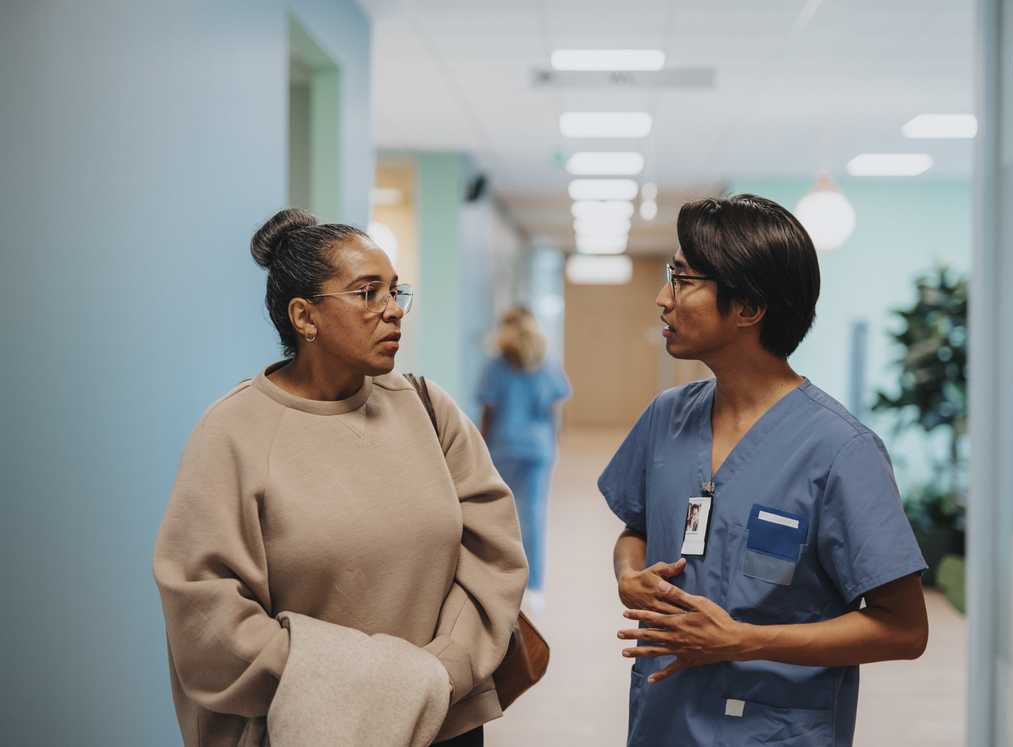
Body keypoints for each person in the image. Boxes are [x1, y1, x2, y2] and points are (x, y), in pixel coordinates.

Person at [153, 209, 527, 747]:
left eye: (396, 292)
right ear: (305, 317)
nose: (393, 312)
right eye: (367, 293)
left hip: (445, 719)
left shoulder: (426, 407)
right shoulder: (233, 431)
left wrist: (440, 672)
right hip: (309, 728)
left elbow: (493, 554)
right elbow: (206, 615)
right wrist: (369, 681)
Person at [600, 195, 929, 746]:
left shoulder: (841, 451)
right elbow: (635, 530)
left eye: (682, 279)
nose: (663, 299)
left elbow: (903, 628)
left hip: (773, 729)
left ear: (748, 307)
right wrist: (628, 575)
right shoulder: (667, 418)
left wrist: (742, 640)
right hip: (664, 720)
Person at [477, 307, 571, 614]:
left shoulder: (496, 365)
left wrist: (481, 446)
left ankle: (501, 580)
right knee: (533, 515)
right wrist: (554, 442)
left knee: (499, 515)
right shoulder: (545, 363)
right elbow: (555, 409)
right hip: (538, 448)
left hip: (504, 446)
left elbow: (488, 412)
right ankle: (534, 587)